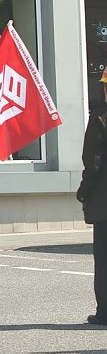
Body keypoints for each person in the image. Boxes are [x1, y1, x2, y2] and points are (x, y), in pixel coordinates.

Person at [77, 69, 107, 326]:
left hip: (104, 202)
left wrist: (84, 191)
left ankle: (105, 311)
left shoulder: (100, 117)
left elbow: (93, 161)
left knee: (105, 259)